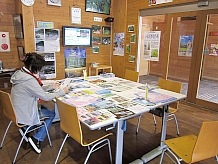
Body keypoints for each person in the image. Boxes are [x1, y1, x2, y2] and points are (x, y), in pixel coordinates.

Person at [10, 52, 69, 154]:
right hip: (25, 113)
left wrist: (51, 87)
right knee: (51, 114)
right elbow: (45, 97)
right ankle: (36, 138)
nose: (40, 70)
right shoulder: (29, 80)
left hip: (17, 112)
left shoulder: (20, 74)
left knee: (45, 110)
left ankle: (26, 129)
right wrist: (62, 92)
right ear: (34, 67)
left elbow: (35, 89)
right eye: (39, 68)